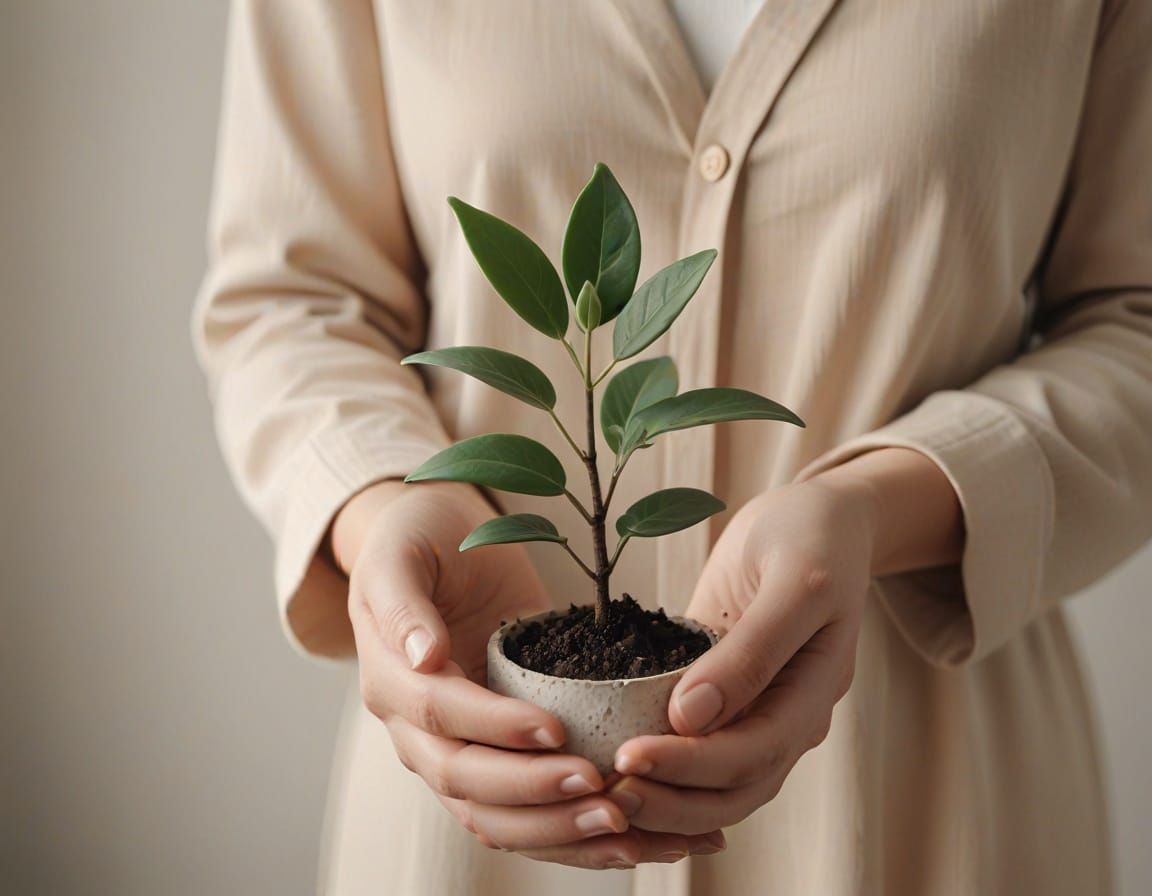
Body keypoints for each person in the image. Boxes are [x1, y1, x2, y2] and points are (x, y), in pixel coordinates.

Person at [192, 1, 1152, 893]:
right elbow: (294, 303)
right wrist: (388, 508)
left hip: (922, 794)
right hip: (477, 763)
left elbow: (1134, 321)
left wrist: (871, 507)